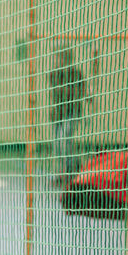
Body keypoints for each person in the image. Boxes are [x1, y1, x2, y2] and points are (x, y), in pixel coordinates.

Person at [48, 43, 87, 190]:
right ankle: (63, 171)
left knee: (65, 141)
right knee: (57, 144)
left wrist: (85, 91)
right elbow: (61, 93)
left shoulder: (76, 74)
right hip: (58, 114)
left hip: (72, 113)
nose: (56, 60)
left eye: (59, 57)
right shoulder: (54, 74)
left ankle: (70, 171)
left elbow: (79, 92)